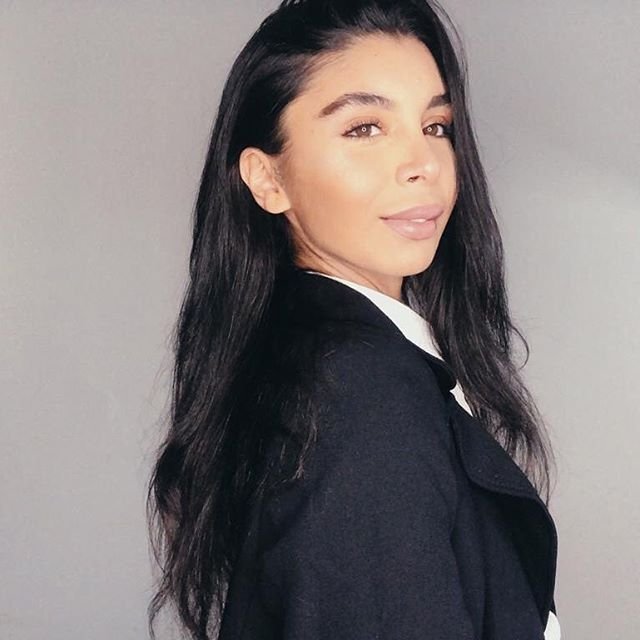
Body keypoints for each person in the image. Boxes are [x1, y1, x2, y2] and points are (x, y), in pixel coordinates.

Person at [147, 1, 562, 638]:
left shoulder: (329, 368)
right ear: (268, 179)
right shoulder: (362, 391)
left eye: (435, 125)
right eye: (365, 128)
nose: (423, 164)